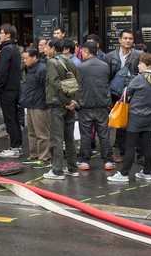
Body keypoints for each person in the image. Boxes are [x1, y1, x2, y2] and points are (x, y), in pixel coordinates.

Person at [108, 53, 151, 183]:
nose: (138, 65)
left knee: (130, 146)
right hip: (150, 116)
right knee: (146, 145)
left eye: (141, 63)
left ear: (148, 65)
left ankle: (124, 174)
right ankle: (147, 172)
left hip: (136, 116)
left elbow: (127, 92)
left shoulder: (140, 78)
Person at [42, 38, 79, 180]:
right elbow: (77, 82)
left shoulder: (52, 62)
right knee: (69, 138)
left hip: (56, 104)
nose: (45, 50)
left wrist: (66, 101)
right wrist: (73, 101)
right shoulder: (71, 61)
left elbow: (55, 83)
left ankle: (57, 170)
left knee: (56, 138)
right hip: (70, 104)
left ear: (53, 49)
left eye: (47, 47)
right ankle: (72, 168)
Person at [75, 42, 115, 170]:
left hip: (85, 105)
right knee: (103, 135)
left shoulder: (80, 67)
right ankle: (108, 161)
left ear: (86, 52)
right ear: (97, 52)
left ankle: (84, 161)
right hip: (102, 105)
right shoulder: (105, 66)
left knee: (86, 135)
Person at [106, 29, 142, 162]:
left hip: (134, 93)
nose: (128, 41)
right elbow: (107, 77)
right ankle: (123, 153)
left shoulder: (139, 55)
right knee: (121, 124)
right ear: (120, 40)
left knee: (136, 124)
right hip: (117, 94)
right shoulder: (111, 56)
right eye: (125, 38)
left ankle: (140, 154)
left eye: (130, 39)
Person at [0, 24, 23, 158]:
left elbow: (2, 71)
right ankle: (18, 146)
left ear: (8, 35)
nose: (0, 35)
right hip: (15, 88)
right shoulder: (15, 49)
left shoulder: (6, 49)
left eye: (2, 33)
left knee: (10, 119)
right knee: (15, 119)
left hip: (7, 90)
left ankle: (14, 147)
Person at [18, 47, 49, 168]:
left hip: (39, 105)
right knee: (31, 132)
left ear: (34, 57)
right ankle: (34, 155)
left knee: (42, 133)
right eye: (23, 58)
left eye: (26, 58)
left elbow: (47, 87)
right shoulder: (30, 68)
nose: (24, 61)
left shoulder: (42, 69)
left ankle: (44, 158)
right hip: (30, 104)